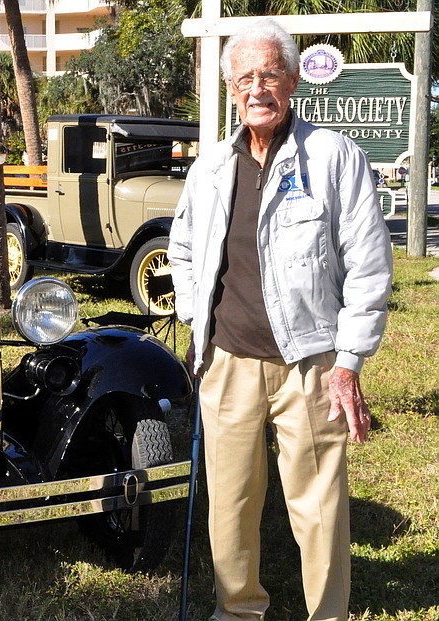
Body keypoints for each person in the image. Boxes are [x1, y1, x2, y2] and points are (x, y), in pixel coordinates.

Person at [167, 18, 393, 621]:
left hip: (310, 363)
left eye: (270, 73)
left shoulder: (334, 157)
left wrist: (347, 364)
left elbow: (369, 266)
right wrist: (196, 323)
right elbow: (182, 251)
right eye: (245, 77)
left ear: (293, 81)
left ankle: (328, 613)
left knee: (318, 507)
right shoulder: (211, 167)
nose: (257, 87)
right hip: (227, 360)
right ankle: (238, 610)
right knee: (232, 502)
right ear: (231, 88)